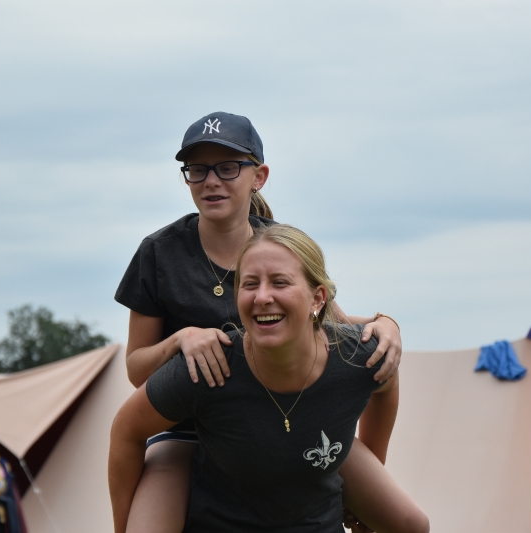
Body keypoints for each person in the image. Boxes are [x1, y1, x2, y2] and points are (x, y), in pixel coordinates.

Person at [114, 111, 404, 531]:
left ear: (259, 176)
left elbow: (326, 320)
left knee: (409, 521)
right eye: (197, 170)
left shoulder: (278, 246)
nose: (211, 181)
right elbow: (136, 370)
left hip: (282, 422)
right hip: (184, 430)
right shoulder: (159, 252)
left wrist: (385, 322)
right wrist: (180, 340)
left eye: (227, 167)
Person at [110, 224, 428, 532]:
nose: (262, 297)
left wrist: (372, 467)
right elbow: (126, 427)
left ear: (318, 298)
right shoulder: (209, 365)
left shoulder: (358, 355)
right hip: (193, 460)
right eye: (250, 284)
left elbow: (386, 381)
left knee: (415, 525)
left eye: (279, 282)